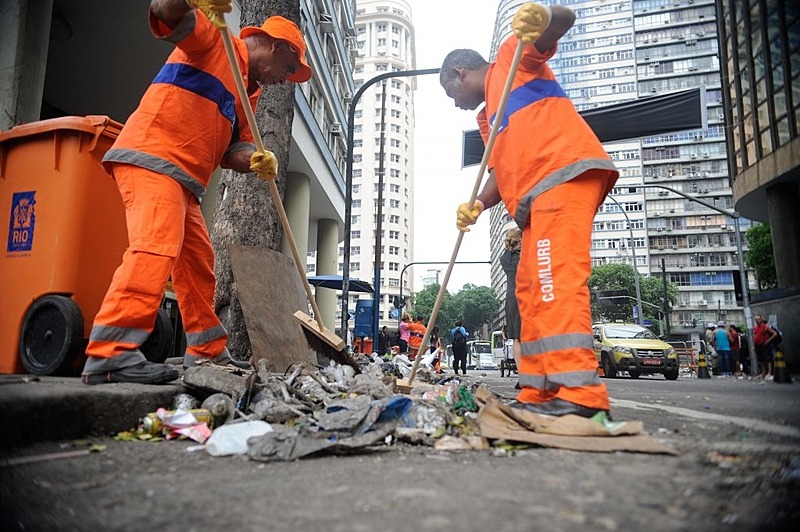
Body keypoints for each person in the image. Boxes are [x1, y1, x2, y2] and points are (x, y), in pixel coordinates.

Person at [81, 0, 312, 385]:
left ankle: (205, 350)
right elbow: (167, 13)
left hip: (183, 178)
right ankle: (111, 354)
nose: (284, 79)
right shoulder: (217, 41)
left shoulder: (248, 93)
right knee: (155, 248)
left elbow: (230, 152)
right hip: (152, 155)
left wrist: (256, 157)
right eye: (288, 70)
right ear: (276, 46)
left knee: (197, 265)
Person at [441, 3, 618, 418]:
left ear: (459, 74)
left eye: (451, 95)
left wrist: (543, 17)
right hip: (537, 198)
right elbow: (503, 172)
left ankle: (579, 396)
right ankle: (539, 391)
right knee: (530, 292)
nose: (455, 105)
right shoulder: (490, 114)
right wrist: (479, 204)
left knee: (555, 280)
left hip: (562, 176)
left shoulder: (510, 57)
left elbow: (561, 23)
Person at [500, 226, 522, 369]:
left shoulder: (504, 258)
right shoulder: (526, 255)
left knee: (516, 339)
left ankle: (523, 375)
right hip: (527, 294)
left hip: (511, 297)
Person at [753, 314, 778, 381]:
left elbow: (775, 333)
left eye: (758, 319)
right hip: (758, 345)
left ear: (761, 319)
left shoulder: (765, 326)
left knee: (767, 359)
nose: (757, 321)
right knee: (761, 360)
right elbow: (754, 336)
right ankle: (763, 372)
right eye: (756, 319)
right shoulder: (755, 327)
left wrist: (768, 340)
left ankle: (769, 373)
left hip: (764, 345)